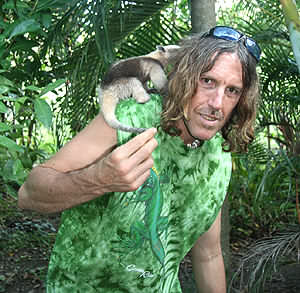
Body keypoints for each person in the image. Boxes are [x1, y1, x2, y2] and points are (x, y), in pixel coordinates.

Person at [18, 26, 261, 293]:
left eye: (232, 91)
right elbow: (29, 194)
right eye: (208, 81)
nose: (217, 103)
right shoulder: (128, 119)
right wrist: (98, 180)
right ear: (185, 77)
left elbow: (208, 255)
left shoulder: (219, 158)